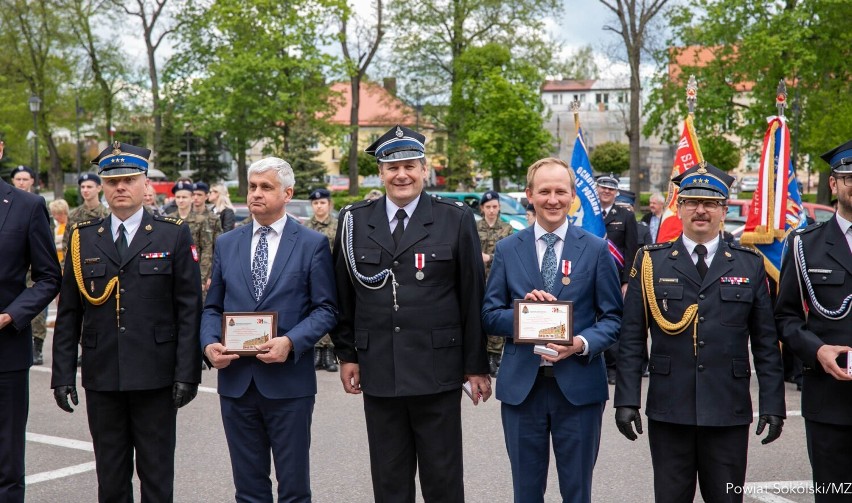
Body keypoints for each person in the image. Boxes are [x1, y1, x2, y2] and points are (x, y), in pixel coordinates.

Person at [331, 124, 491, 503]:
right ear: (381, 173)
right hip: (380, 370)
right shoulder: (354, 221)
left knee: (443, 480)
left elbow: (472, 295)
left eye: (409, 165)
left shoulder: (455, 218)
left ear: (424, 169)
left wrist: (476, 365)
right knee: (389, 482)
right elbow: (343, 295)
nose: (401, 174)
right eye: (391, 167)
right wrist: (347, 355)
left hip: (438, 370)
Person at [614, 162, 786, 503]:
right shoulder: (651, 262)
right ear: (678, 207)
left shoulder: (748, 262)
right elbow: (632, 339)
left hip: (727, 407)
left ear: (724, 210)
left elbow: (766, 342)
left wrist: (773, 403)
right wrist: (627, 399)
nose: (701, 210)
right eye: (692, 201)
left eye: (711, 203)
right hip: (669, 408)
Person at [51, 141, 202, 503]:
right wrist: (62, 374)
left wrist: (187, 373)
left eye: (129, 179)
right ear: (102, 186)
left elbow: (189, 309)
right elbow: (69, 312)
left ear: (145, 184)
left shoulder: (172, 233)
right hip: (104, 377)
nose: (121, 187)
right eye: (112, 180)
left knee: (156, 475)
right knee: (111, 476)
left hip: (156, 377)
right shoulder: (82, 238)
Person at [481, 157, 623, 503]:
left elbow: (613, 319)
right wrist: (525, 315)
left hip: (578, 390)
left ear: (573, 196)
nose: (553, 199)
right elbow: (488, 314)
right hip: (522, 391)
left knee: (577, 492)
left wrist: (580, 343)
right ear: (529, 194)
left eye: (561, 191)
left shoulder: (595, 248)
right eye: (544, 191)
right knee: (526, 493)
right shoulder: (507, 249)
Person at [201, 157, 337, 502]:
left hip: (289, 385)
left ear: (287, 193)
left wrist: (291, 341)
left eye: (266, 187)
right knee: (248, 490)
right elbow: (212, 307)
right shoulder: (227, 243)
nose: (256, 194)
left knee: (293, 488)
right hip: (236, 383)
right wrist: (208, 345)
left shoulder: (310, 243)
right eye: (252, 187)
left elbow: (327, 309)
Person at [775, 139, 852, 502]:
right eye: (849, 177)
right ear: (834, 185)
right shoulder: (805, 244)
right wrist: (817, 350)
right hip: (830, 399)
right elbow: (786, 316)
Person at [0, 142, 62, 502]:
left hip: (6, 354)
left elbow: (48, 277)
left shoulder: (26, 206)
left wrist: (11, 315)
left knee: (6, 465)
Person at [596, 173, 639, 385]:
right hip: (590, 276)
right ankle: (596, 364)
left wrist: (627, 281)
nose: (606, 191)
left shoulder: (625, 215)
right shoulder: (589, 214)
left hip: (614, 277)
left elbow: (631, 250)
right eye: (603, 187)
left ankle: (613, 367)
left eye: (610, 189)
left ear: (616, 192)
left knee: (612, 321)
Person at [10, 165, 52, 366]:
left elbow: (48, 276)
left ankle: (38, 343)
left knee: (37, 316)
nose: (21, 182)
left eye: (25, 179)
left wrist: (10, 315)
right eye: (18, 179)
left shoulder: (32, 205)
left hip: (8, 342)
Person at [477, 190, 514, 376]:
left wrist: (489, 258)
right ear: (482, 208)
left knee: (497, 314)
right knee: (478, 315)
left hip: (498, 279)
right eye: (488, 207)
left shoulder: (506, 228)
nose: (492, 210)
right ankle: (482, 354)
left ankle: (495, 355)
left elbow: (510, 254)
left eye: (495, 207)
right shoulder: (474, 227)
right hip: (478, 279)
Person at [305, 188, 339, 372]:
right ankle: (317, 350)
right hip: (312, 277)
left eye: (322, 202)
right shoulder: (306, 227)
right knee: (314, 311)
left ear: (329, 204)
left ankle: (329, 353)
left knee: (331, 312)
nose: (319, 206)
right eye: (316, 203)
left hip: (332, 275)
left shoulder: (337, 224)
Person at [167, 181, 214, 295]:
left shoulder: (201, 220)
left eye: (184, 197)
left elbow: (207, 250)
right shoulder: (168, 219)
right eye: (178, 197)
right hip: (173, 272)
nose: (181, 200)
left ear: (192, 198)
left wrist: (202, 278)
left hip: (194, 271)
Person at [63, 172, 110, 253]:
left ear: (99, 188)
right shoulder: (74, 215)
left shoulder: (107, 215)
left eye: (89, 187)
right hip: (79, 262)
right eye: (82, 187)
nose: (85, 190)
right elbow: (67, 243)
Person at [49, 199, 70, 268]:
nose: (55, 217)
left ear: (63, 212)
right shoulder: (54, 227)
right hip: (56, 262)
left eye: (57, 214)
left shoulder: (71, 226)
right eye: (53, 214)